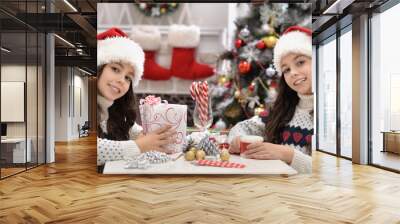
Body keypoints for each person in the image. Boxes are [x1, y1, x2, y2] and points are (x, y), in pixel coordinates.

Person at [227, 26, 313, 174]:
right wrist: (238, 138)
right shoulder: (281, 110)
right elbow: (243, 127)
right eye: (286, 69)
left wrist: (287, 154)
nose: (292, 73)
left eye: (300, 62)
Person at [96, 27, 175, 168]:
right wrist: (139, 145)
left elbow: (132, 130)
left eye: (128, 77)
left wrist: (147, 134)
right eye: (115, 69)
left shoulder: (113, 109)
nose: (121, 80)